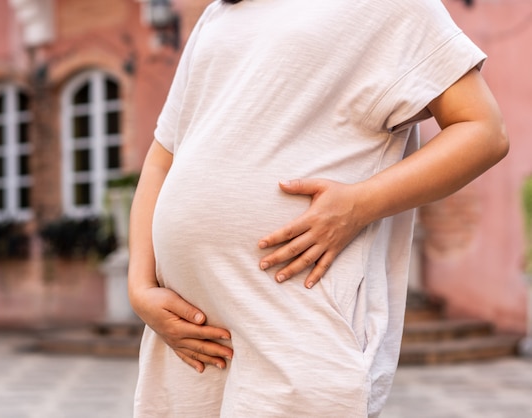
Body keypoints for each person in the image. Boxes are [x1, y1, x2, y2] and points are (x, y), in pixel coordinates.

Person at [128, 0, 509, 416]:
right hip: (187, 335)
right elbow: (162, 158)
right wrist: (140, 286)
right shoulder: (215, 18)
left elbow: (482, 131)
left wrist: (361, 203)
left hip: (293, 317)